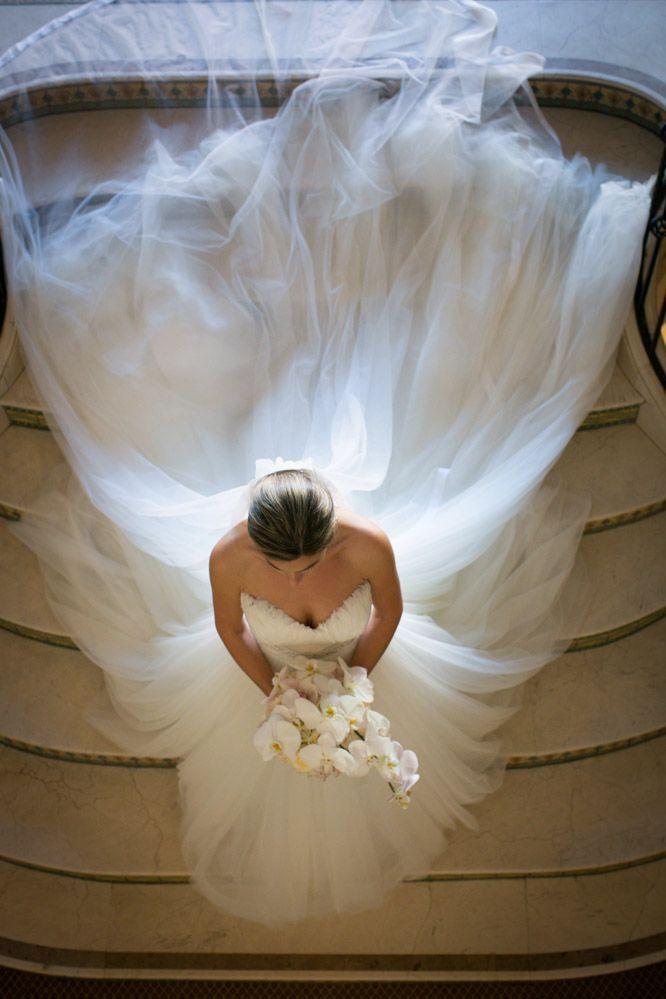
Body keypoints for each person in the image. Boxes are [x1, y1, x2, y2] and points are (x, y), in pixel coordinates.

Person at [0, 0, 655, 925]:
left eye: (309, 561)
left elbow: (386, 610)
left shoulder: (370, 539)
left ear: (333, 526)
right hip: (283, 676)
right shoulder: (231, 555)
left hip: (348, 671)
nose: (301, 575)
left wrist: (356, 679)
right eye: (291, 566)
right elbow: (233, 629)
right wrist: (275, 688)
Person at [209, 467, 403, 700]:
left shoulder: (370, 544)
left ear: (330, 538)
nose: (294, 580)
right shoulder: (227, 558)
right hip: (265, 672)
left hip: (364, 660)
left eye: (310, 566)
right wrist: (277, 694)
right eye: (276, 567)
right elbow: (232, 628)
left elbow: (388, 612)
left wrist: (351, 685)